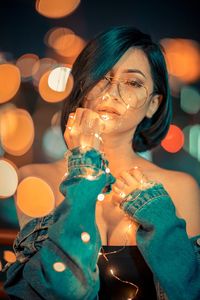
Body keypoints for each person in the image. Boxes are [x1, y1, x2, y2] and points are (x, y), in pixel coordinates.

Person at [3, 25, 200, 300]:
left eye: (133, 83)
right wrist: (83, 170)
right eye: (102, 77)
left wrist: (160, 218)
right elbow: (65, 289)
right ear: (83, 86)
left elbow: (188, 291)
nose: (113, 92)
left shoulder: (179, 188)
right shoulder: (35, 179)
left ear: (154, 104)